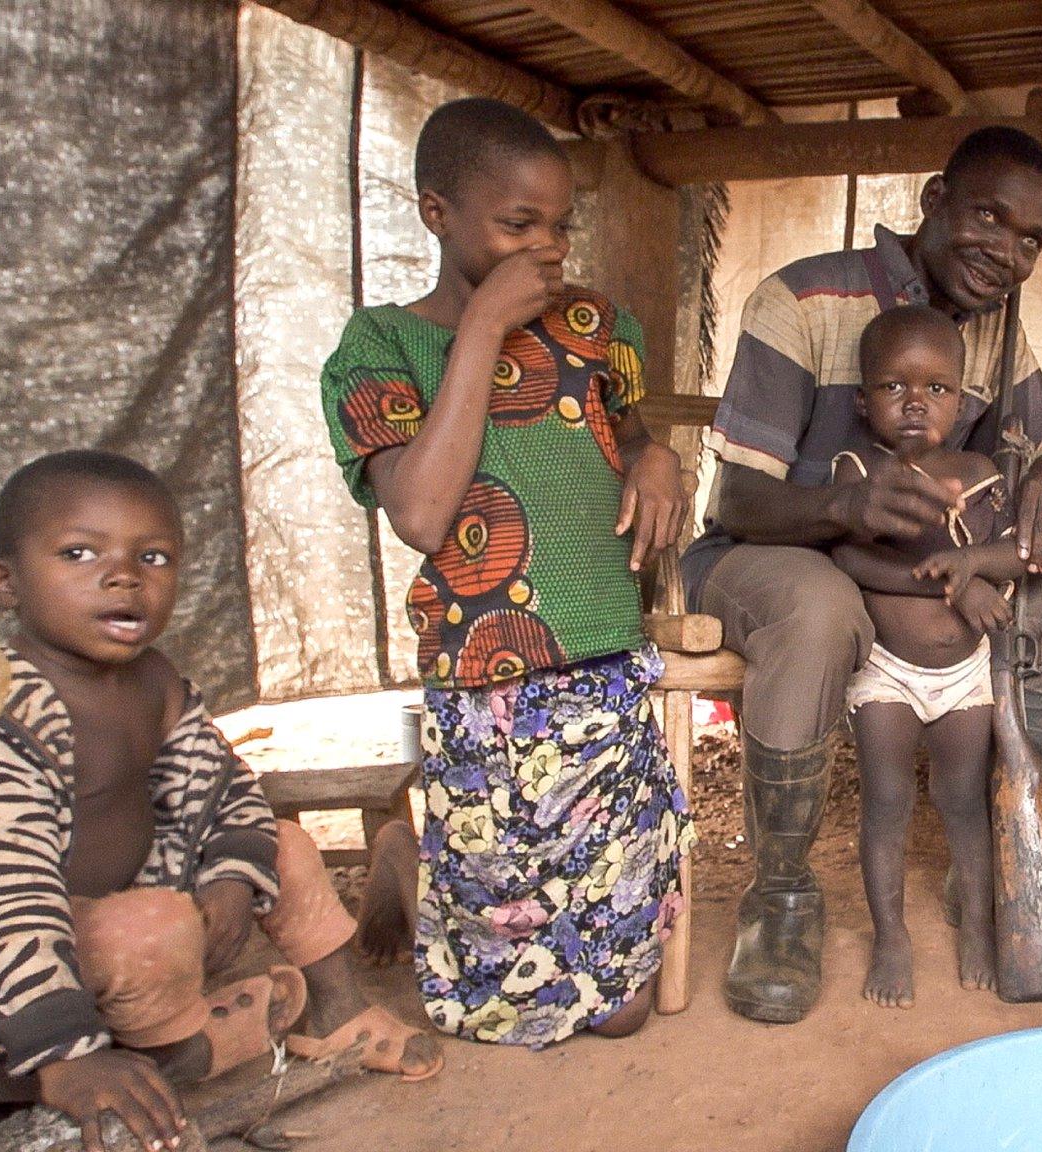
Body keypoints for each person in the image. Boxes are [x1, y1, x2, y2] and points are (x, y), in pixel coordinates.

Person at [0, 450, 439, 1152]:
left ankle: (336, 1013)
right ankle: (182, 1051)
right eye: (78, 552)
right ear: (5, 583)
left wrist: (229, 872)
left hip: (112, 928)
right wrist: (67, 1055)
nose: (124, 575)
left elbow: (225, 789)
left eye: (154, 557)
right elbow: (4, 902)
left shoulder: (155, 685)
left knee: (281, 848)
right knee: (147, 929)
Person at [685, 125, 1042, 1023]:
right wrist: (845, 509)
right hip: (777, 558)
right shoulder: (804, 297)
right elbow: (736, 499)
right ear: (934, 201)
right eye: (989, 219)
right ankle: (782, 899)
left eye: (1032, 239)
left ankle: (1012, 853)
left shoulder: (997, 328)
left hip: (926, 578)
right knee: (819, 607)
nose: (1007, 253)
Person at [321, 97, 692, 1049]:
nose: (548, 246)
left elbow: (632, 432)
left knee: (621, 1012)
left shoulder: (595, 327)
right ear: (436, 212)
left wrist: (656, 458)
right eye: (517, 223)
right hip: (484, 683)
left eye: (561, 224)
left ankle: (428, 868)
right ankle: (411, 866)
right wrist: (482, 328)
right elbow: (420, 513)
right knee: (499, 982)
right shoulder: (382, 348)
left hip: (602, 666)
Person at [830, 306, 1027, 1009]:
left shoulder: (977, 472)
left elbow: (1019, 554)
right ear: (862, 401)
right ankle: (891, 937)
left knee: (963, 803)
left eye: (938, 389)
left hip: (965, 675)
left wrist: (976, 566)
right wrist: (956, 581)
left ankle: (977, 926)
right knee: (886, 802)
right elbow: (851, 556)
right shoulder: (857, 471)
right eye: (893, 388)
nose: (916, 403)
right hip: (887, 671)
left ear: (965, 400)